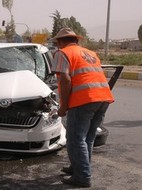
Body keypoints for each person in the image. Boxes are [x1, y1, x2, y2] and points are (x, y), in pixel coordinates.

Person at [51, 28, 114, 188]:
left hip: (84, 100)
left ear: (59, 42)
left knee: (75, 139)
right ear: (76, 40)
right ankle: (78, 168)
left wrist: (63, 107)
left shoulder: (62, 53)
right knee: (88, 138)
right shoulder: (90, 53)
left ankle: (83, 177)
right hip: (103, 97)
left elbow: (65, 80)